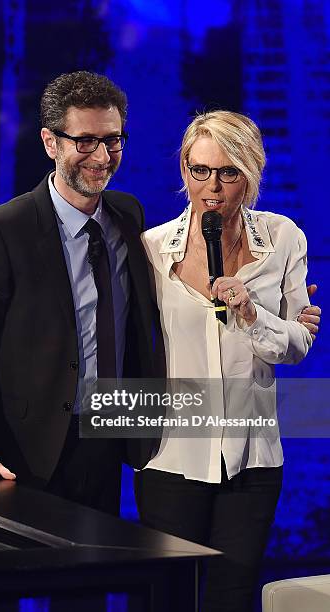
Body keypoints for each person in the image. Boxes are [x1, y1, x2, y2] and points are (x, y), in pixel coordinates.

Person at [0, 71, 162, 516]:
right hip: (21, 451)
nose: (102, 156)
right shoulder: (2, 230)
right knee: (9, 582)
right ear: (49, 142)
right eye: (85, 141)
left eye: (113, 140)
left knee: (92, 579)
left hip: (107, 441)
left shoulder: (128, 215)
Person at [134, 110, 321, 611]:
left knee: (231, 598)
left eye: (228, 173)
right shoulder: (151, 249)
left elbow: (297, 348)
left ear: (252, 172)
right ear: (183, 170)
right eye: (199, 170)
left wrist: (250, 312)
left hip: (254, 459)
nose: (211, 187)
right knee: (169, 598)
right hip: (172, 457)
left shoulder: (282, 238)